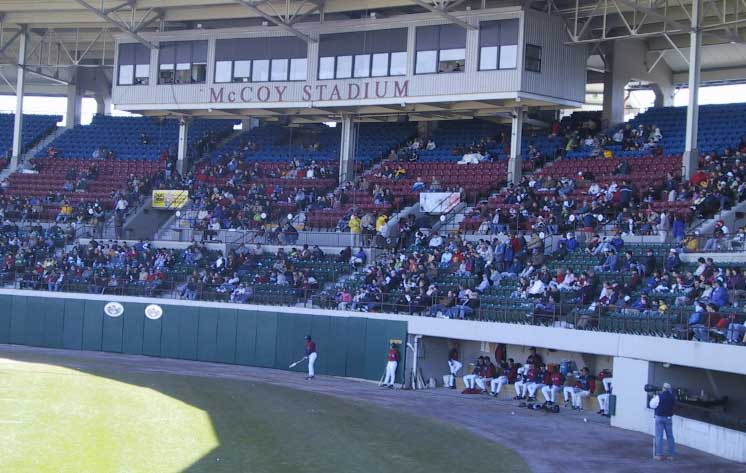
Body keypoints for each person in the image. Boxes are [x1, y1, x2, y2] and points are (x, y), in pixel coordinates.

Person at [649, 382, 676, 460]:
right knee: (670, 436)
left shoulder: (659, 397)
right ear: (669, 389)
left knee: (659, 436)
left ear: (663, 388)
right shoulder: (672, 397)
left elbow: (651, 405)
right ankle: (671, 455)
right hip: (668, 418)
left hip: (659, 417)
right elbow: (674, 405)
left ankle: (658, 455)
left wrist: (654, 398)